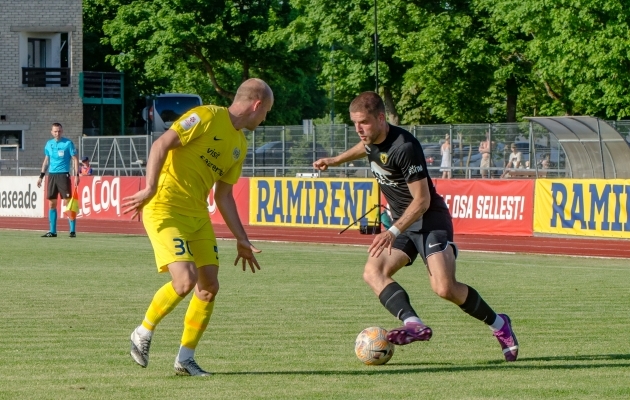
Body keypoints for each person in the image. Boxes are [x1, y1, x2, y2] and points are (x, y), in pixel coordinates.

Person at [312, 92, 518, 362]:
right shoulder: (370, 139)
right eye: (354, 123)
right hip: (402, 224)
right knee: (373, 272)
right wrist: (335, 160)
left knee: (444, 288)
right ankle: (413, 323)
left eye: (363, 122)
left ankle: (500, 325)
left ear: (381, 118)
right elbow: (365, 149)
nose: (358, 129)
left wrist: (392, 231)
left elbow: (422, 201)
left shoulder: (404, 147)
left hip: (429, 220)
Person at [121, 78, 273, 376]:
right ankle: (142, 331)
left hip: (198, 215)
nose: (266, 118)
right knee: (184, 281)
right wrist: (150, 187)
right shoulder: (206, 116)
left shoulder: (239, 145)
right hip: (165, 207)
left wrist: (242, 239)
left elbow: (224, 195)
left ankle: (185, 359)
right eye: (266, 111)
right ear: (257, 105)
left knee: (208, 287)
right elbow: (161, 144)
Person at [36, 123, 79, 238]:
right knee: (51, 204)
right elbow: (46, 160)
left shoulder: (68, 143)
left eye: (59, 131)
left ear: (62, 131)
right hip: (52, 176)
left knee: (68, 203)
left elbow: (75, 159)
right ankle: (53, 231)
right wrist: (41, 176)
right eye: (55, 131)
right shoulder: (49, 144)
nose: (57, 133)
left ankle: (72, 231)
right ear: (51, 132)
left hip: (63, 175)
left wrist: (77, 175)